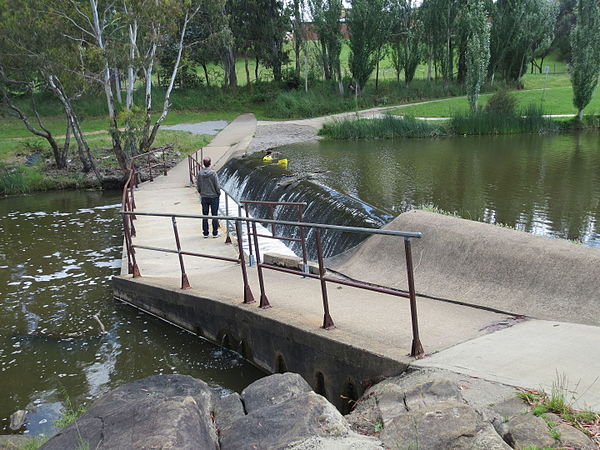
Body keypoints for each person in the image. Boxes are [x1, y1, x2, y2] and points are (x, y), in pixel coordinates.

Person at [196, 157, 221, 238]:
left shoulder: (200, 173)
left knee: (205, 215)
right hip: (214, 196)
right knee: (214, 215)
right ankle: (215, 233)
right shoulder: (213, 173)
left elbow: (198, 185)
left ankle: (205, 233)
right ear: (210, 163)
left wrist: (201, 192)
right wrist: (218, 193)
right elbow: (217, 185)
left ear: (203, 164)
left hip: (204, 196)